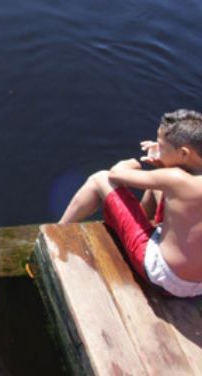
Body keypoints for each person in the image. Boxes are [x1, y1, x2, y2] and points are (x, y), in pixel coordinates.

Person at [59, 109, 202, 297]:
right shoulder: (181, 179)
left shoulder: (175, 178)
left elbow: (115, 175)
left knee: (99, 179)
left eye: (161, 147)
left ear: (184, 153)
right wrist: (166, 161)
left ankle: (57, 230)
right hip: (197, 286)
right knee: (155, 187)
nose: (158, 150)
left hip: (164, 278)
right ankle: (141, 226)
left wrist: (131, 164)